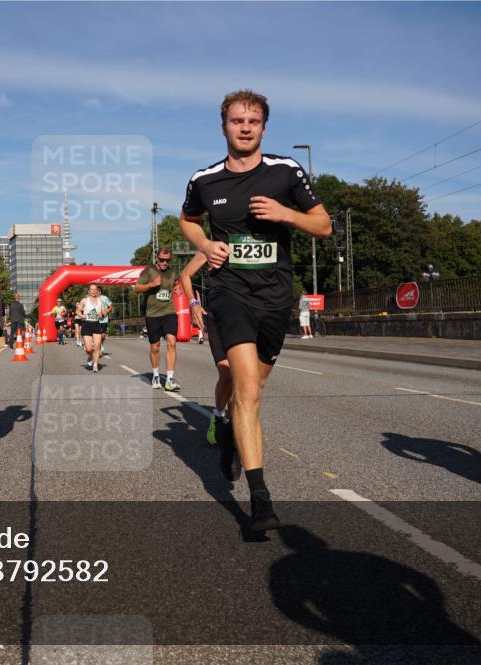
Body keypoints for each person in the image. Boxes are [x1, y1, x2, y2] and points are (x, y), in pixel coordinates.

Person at [179, 89, 331, 531]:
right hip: (229, 291)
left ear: (264, 127)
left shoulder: (286, 171)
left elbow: (323, 225)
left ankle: (226, 430)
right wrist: (207, 245)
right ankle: (260, 498)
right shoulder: (204, 180)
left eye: (253, 121)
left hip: (274, 295)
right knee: (247, 389)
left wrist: (287, 215)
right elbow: (187, 219)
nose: (245, 128)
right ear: (223, 126)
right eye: (236, 121)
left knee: (258, 384)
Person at [180, 253, 242, 480]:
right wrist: (194, 304)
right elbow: (185, 275)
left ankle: (237, 432)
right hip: (217, 317)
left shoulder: (254, 238)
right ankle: (218, 416)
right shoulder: (212, 245)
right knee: (227, 374)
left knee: (242, 377)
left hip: (246, 316)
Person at [135, 247, 181, 391]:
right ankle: (155, 375)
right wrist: (151, 284)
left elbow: (177, 282)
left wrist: (177, 288)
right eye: (162, 260)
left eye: (167, 260)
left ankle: (170, 379)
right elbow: (137, 288)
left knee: (172, 342)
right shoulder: (148, 271)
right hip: (153, 314)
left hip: (169, 311)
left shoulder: (172, 272)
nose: (164, 263)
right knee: (155, 347)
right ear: (157, 258)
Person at [76, 284, 110, 372]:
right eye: (92, 289)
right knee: (88, 348)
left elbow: (104, 313)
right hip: (87, 325)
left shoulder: (100, 301)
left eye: (95, 289)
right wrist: (82, 316)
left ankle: (95, 365)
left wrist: (102, 314)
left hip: (96, 325)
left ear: (97, 291)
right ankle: (90, 356)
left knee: (97, 347)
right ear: (89, 291)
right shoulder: (84, 300)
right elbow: (77, 311)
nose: (94, 291)